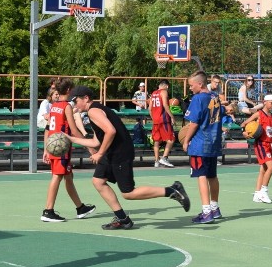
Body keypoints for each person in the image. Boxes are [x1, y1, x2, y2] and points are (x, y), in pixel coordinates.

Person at [67, 85, 191, 230]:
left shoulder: (94, 111)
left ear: (85, 98)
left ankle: (172, 190)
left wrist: (99, 153)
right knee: (98, 181)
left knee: (128, 193)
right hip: (112, 151)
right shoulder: (95, 110)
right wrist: (72, 139)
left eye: (75, 101)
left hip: (120, 152)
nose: (74, 105)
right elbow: (96, 141)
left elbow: (111, 131)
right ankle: (122, 219)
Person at [41, 79, 96, 222]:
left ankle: (80, 207)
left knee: (68, 177)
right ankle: (48, 211)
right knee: (57, 176)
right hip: (61, 148)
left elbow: (48, 129)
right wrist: (90, 147)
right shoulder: (66, 106)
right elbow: (74, 130)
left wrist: (46, 149)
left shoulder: (53, 106)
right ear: (68, 90)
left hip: (53, 145)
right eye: (72, 90)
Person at [180, 71, 224, 223]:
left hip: (200, 143)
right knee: (212, 175)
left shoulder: (198, 98)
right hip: (213, 141)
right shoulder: (215, 97)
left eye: (191, 85)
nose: (190, 88)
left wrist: (186, 140)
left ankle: (206, 211)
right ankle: (214, 208)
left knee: (201, 175)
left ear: (200, 84)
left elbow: (194, 123)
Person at [243, 94, 272, 203]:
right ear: (264, 102)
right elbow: (244, 123)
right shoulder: (259, 114)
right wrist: (245, 132)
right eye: (271, 103)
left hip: (269, 144)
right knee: (271, 167)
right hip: (261, 144)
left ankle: (257, 194)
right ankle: (264, 191)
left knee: (263, 170)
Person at [149, 80, 176, 168]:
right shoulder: (164, 92)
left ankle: (156, 161)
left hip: (156, 120)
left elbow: (149, 108)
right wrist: (172, 116)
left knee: (157, 141)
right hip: (164, 120)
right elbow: (165, 105)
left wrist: (153, 118)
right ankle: (164, 158)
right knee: (171, 139)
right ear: (167, 86)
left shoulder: (153, 93)